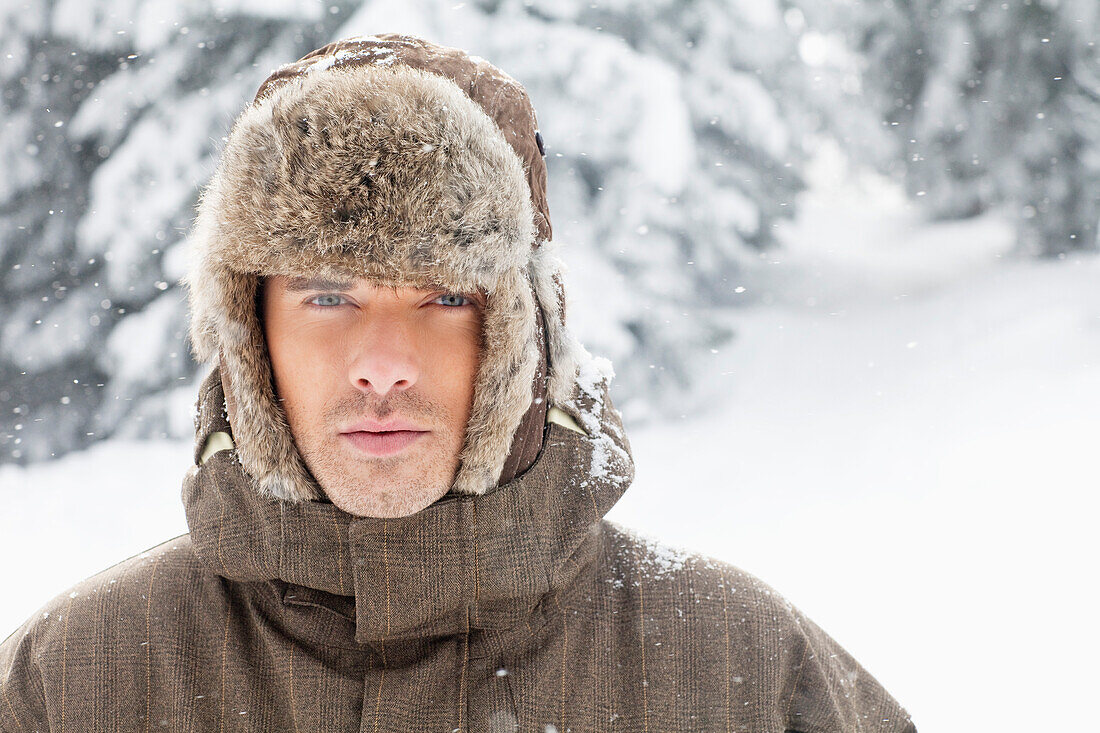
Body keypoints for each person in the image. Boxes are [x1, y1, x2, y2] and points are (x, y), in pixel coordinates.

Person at [0, 34, 916, 731]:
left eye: (444, 295)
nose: (384, 361)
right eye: (328, 294)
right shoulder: (79, 680)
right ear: (249, 335)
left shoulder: (736, 671)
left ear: (526, 338)